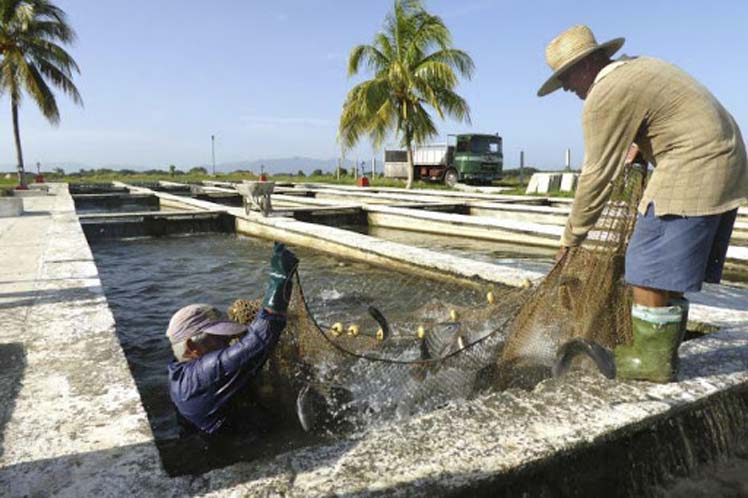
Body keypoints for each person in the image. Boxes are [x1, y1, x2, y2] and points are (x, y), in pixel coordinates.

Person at [537, 25, 748, 382]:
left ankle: (651, 362)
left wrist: (571, 238)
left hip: (694, 164)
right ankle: (661, 354)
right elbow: (668, 118)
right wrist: (639, 149)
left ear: (586, 64)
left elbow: (596, 174)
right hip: (726, 159)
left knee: (646, 261)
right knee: (668, 269)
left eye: (567, 77)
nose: (569, 88)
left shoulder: (604, 93)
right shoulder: (636, 68)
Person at [166, 242, 298, 434]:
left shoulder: (178, 369)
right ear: (191, 346)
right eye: (218, 338)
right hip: (227, 450)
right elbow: (260, 338)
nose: (228, 341)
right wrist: (280, 279)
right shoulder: (203, 374)